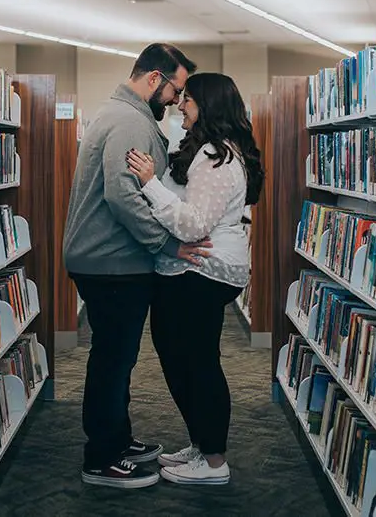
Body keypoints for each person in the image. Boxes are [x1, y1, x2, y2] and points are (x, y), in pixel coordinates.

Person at [63, 43, 212, 489]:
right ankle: (102, 457)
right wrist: (167, 243)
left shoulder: (123, 115)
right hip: (112, 263)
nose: (175, 100)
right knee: (112, 359)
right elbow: (123, 196)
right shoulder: (129, 121)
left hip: (110, 260)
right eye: (174, 89)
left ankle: (117, 440)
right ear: (154, 79)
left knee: (118, 357)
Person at [126, 72, 263, 486]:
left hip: (205, 270)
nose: (179, 104)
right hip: (196, 271)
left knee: (198, 363)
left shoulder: (218, 157)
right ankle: (202, 444)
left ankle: (214, 460)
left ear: (208, 105)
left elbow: (192, 224)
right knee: (180, 356)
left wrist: (150, 184)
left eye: (187, 99)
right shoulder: (204, 151)